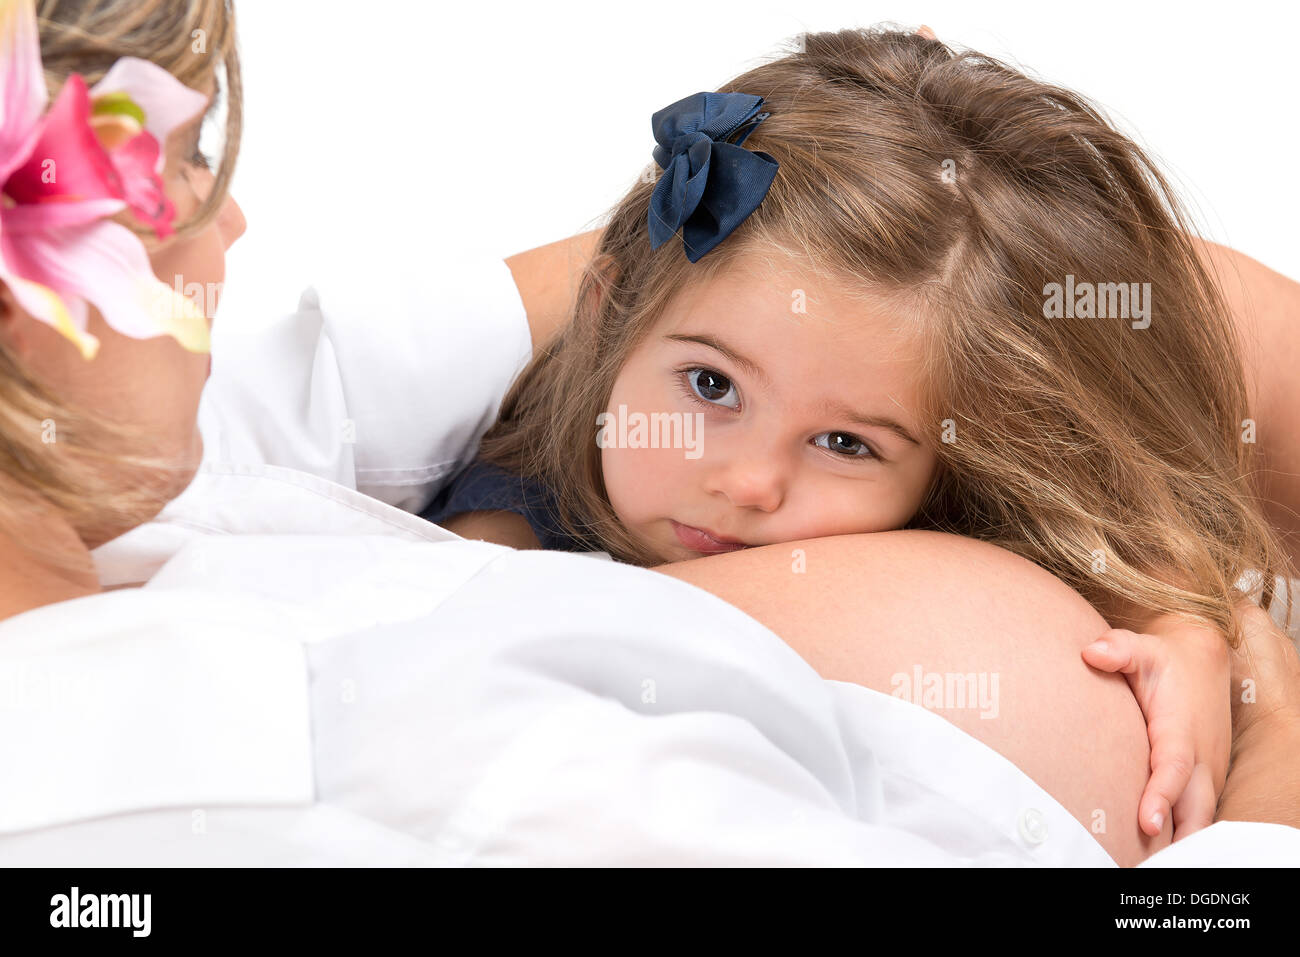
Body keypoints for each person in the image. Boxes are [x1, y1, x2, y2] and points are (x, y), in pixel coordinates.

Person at [1, 0, 1298, 867]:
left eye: (850, 444)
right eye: (176, 175)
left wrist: (1181, 595)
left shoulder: (137, 476)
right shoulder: (435, 770)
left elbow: (339, 369)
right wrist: (1271, 757)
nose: (231, 230)